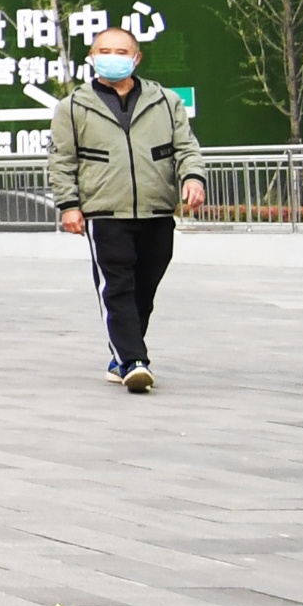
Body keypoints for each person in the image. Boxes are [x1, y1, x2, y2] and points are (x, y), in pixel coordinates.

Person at [47, 24, 204, 392]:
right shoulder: (72, 108)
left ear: (137, 58)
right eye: (104, 52)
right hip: (105, 212)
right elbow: (62, 160)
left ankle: (121, 355)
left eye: (121, 52)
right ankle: (134, 360)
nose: (113, 59)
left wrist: (192, 177)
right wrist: (69, 205)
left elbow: (186, 146)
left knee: (144, 289)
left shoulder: (165, 100)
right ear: (91, 58)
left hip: (156, 209)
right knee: (116, 285)